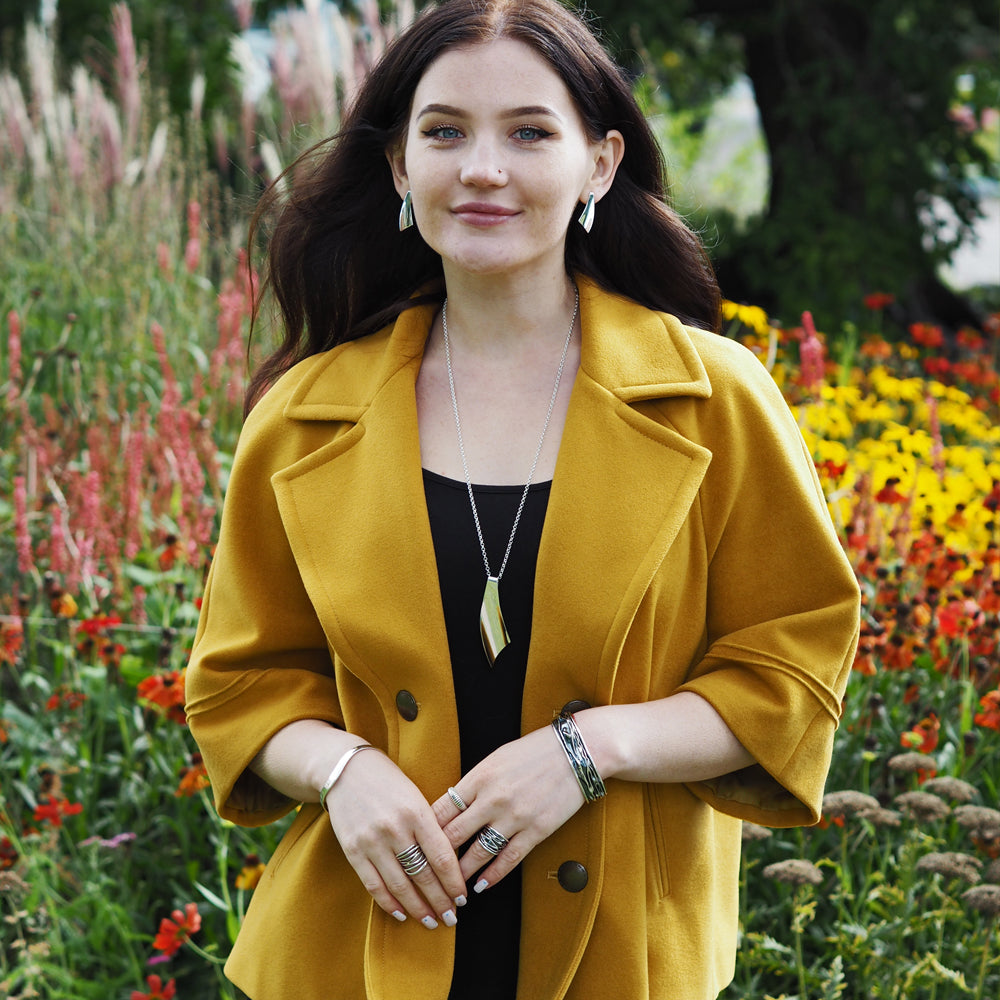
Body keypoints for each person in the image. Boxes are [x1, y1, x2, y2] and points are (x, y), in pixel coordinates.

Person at [185, 1, 861, 998]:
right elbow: (244, 684)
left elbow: (790, 673)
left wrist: (592, 749)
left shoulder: (714, 401)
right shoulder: (306, 414)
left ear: (598, 163)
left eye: (530, 132)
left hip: (622, 954)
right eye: (445, 131)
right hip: (350, 954)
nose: (483, 168)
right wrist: (342, 770)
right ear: (398, 167)